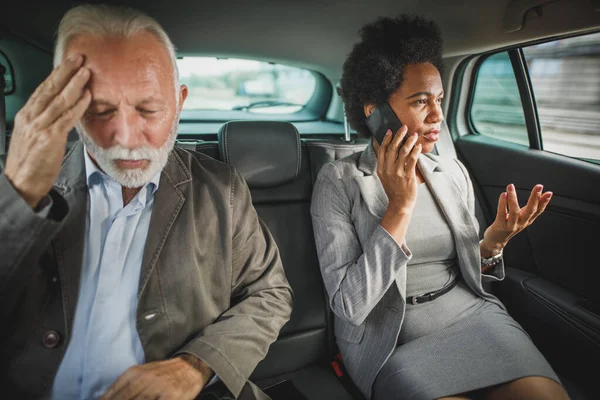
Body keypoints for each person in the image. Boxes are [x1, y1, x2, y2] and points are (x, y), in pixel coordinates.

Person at [0, 4, 292, 399]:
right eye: (100, 111)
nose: (126, 136)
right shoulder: (16, 185)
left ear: (179, 102)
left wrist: (195, 366)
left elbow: (270, 294)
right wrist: (17, 197)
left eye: (149, 109)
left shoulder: (222, 190)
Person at [310, 15, 569, 400]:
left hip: (471, 317)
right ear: (374, 110)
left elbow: (467, 269)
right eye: (420, 101)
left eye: (440, 99)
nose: (437, 115)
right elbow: (350, 306)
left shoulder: (451, 171)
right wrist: (398, 208)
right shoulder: (338, 181)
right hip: (392, 340)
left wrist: (494, 242)